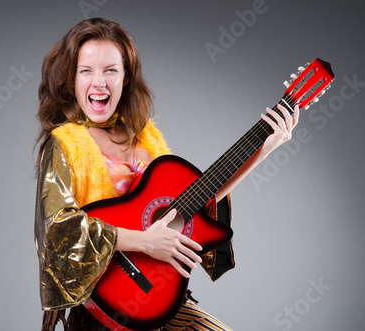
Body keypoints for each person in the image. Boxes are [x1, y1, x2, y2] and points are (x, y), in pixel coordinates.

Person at [34, 18, 299, 331]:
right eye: (86, 70)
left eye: (110, 70)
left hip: (158, 295)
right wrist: (145, 242)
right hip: (105, 307)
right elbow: (59, 231)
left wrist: (263, 150)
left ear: (126, 78)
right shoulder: (64, 144)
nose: (99, 82)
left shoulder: (145, 138)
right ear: (71, 79)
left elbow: (192, 203)